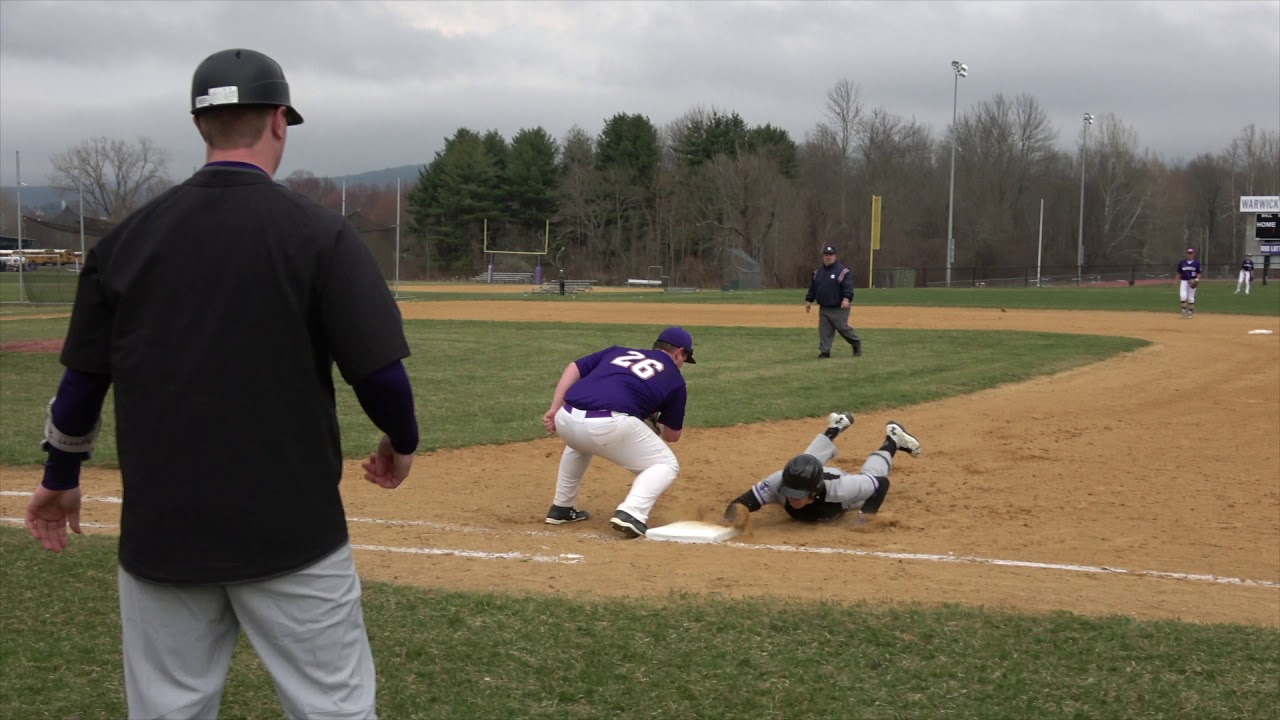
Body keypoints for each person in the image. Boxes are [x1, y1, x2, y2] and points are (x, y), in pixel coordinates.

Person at [23, 48, 419, 720]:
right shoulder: (319, 235)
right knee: (334, 708)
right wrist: (400, 441)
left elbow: (82, 385)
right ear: (278, 122)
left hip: (164, 535)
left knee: (168, 710)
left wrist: (61, 476)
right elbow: (379, 373)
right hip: (294, 533)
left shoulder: (125, 243)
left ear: (200, 125)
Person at [542, 326, 696, 538]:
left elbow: (574, 367)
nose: (681, 365)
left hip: (566, 419)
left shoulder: (618, 351)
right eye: (684, 359)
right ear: (679, 352)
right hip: (608, 425)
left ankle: (561, 508)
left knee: (579, 444)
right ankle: (631, 513)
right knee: (666, 464)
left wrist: (554, 408)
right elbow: (672, 436)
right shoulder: (675, 380)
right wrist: (656, 419)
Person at [722, 412, 922, 527]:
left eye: (798, 494)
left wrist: (865, 519)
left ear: (814, 492)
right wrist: (734, 518)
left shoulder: (842, 489)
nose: (792, 497)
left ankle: (893, 440)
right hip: (814, 475)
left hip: (838, 482)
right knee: (806, 460)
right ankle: (836, 426)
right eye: (789, 492)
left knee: (872, 475)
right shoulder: (780, 481)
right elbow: (742, 502)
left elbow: (881, 485)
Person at [805, 244, 862, 358]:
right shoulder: (818, 273)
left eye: (830, 255)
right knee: (824, 331)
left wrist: (846, 298)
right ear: (823, 256)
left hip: (839, 307)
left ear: (835, 256)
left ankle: (855, 342)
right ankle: (825, 352)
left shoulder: (842, 271)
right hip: (824, 307)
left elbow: (848, 286)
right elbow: (813, 288)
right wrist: (809, 300)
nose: (828, 257)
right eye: (826, 254)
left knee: (842, 328)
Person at [1177, 247, 1202, 318]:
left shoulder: (1197, 263)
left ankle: (1190, 313)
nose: (1189, 254)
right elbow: (1179, 272)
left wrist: (1197, 280)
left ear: (1193, 254)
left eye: (1191, 253)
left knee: (1191, 297)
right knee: (1182, 296)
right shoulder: (1182, 262)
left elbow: (1199, 273)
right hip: (1184, 281)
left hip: (1192, 281)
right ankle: (1183, 312)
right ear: (1187, 254)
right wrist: (1176, 281)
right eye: (1188, 253)